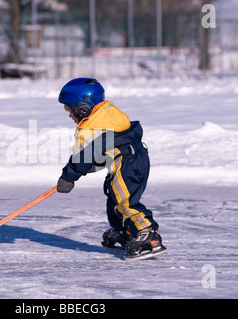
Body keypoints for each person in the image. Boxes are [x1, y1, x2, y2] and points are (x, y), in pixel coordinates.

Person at [56, 78, 166, 260]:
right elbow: (103, 151)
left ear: (82, 107)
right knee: (115, 199)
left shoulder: (91, 129)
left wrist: (68, 178)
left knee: (125, 201)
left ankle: (147, 233)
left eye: (70, 110)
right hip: (136, 157)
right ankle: (126, 232)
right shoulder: (109, 114)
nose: (70, 116)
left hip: (125, 162)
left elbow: (82, 158)